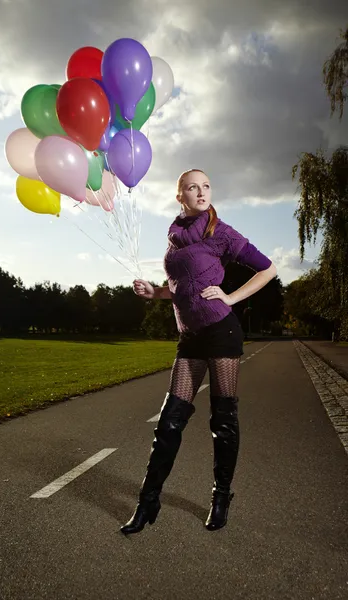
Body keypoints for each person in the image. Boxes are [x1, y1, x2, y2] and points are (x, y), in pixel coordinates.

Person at [120, 169, 277, 535]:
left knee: (222, 421)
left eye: (206, 186)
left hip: (221, 331)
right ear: (180, 196)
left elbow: (267, 269)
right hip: (190, 336)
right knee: (168, 422)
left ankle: (221, 497)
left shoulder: (219, 232)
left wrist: (231, 297)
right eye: (193, 187)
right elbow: (181, 289)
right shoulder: (174, 239)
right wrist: (155, 293)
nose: (202, 192)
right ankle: (148, 503)